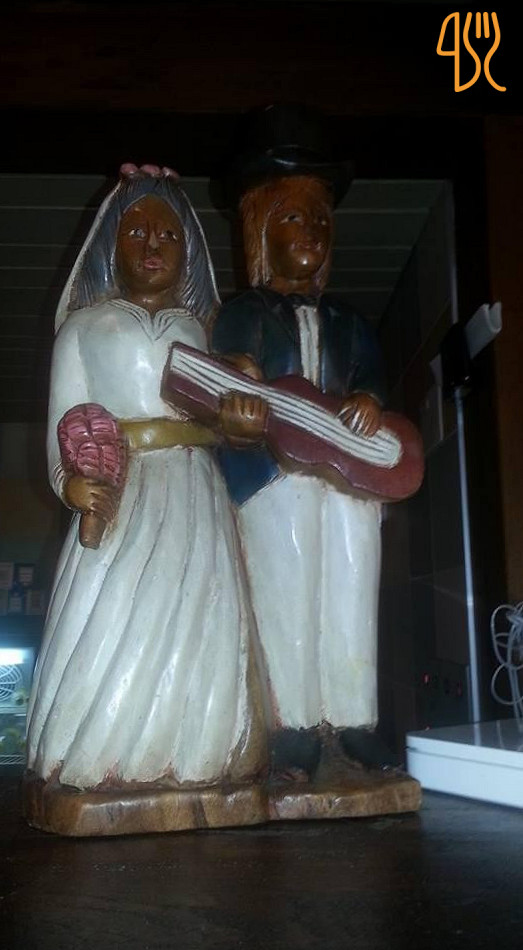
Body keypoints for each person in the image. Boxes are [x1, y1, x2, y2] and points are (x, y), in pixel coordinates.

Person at [25, 166, 268, 829]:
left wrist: (241, 422)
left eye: (169, 233)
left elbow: (236, 420)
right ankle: (93, 756)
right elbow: (62, 419)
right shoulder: (84, 328)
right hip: (122, 492)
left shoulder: (205, 331)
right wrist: (69, 481)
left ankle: (198, 758)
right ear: (111, 245)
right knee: (111, 619)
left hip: (194, 491)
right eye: (137, 232)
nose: (154, 244)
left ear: (189, 251)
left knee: (200, 614)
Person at [212, 104, 394, 778]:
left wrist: (368, 401)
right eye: (293, 216)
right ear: (260, 228)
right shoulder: (243, 313)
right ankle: (292, 720)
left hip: (347, 474)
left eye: (320, 218)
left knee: (353, 575)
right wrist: (237, 394)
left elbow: (371, 378)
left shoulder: (350, 320)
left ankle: (353, 717)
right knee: (288, 578)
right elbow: (229, 378)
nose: (311, 230)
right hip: (274, 474)